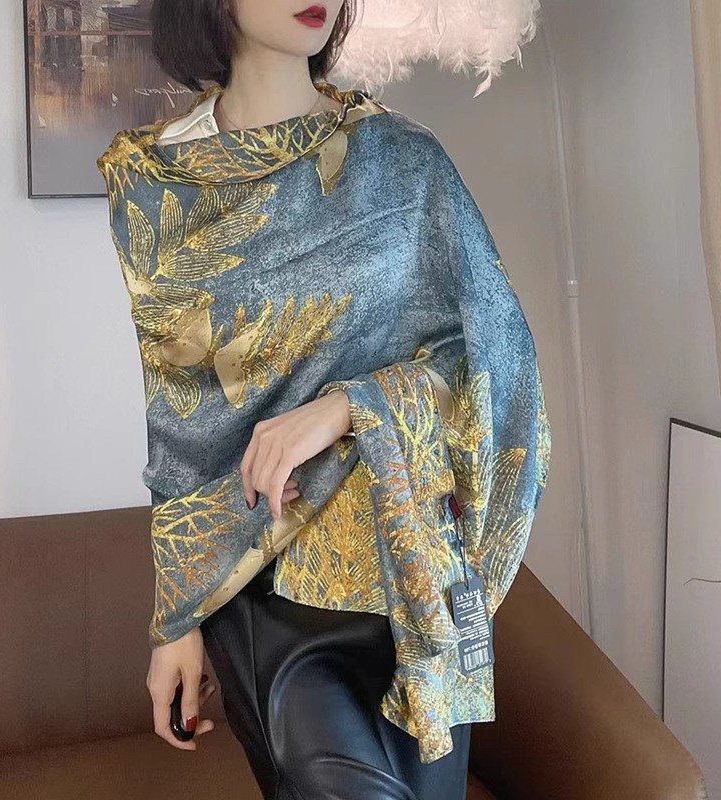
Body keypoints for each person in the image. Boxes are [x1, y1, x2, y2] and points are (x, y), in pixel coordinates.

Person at [96, 1, 551, 798]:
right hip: (266, 588)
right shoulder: (153, 185)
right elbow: (180, 424)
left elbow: (494, 360)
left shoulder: (405, 163)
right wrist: (176, 619)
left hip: (413, 582)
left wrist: (345, 406)